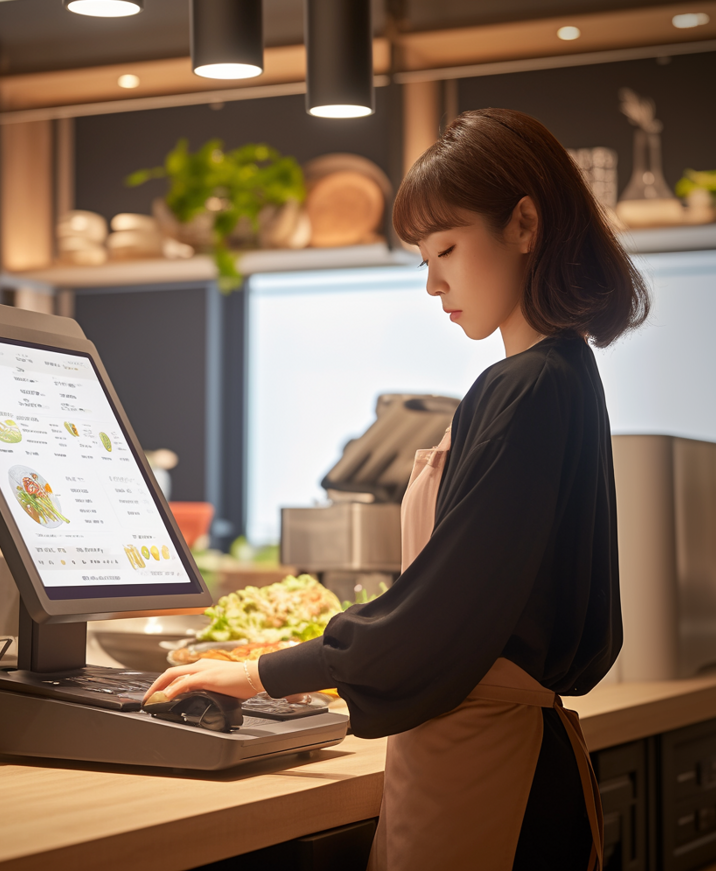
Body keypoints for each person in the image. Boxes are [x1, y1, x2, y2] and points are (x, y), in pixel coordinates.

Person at [145, 108, 650, 870]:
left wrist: (257, 673)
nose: (433, 283)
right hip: (507, 758)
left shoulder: (527, 386)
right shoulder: (562, 375)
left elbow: (438, 615)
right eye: (421, 258)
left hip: (492, 781)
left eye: (446, 248)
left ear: (523, 225)